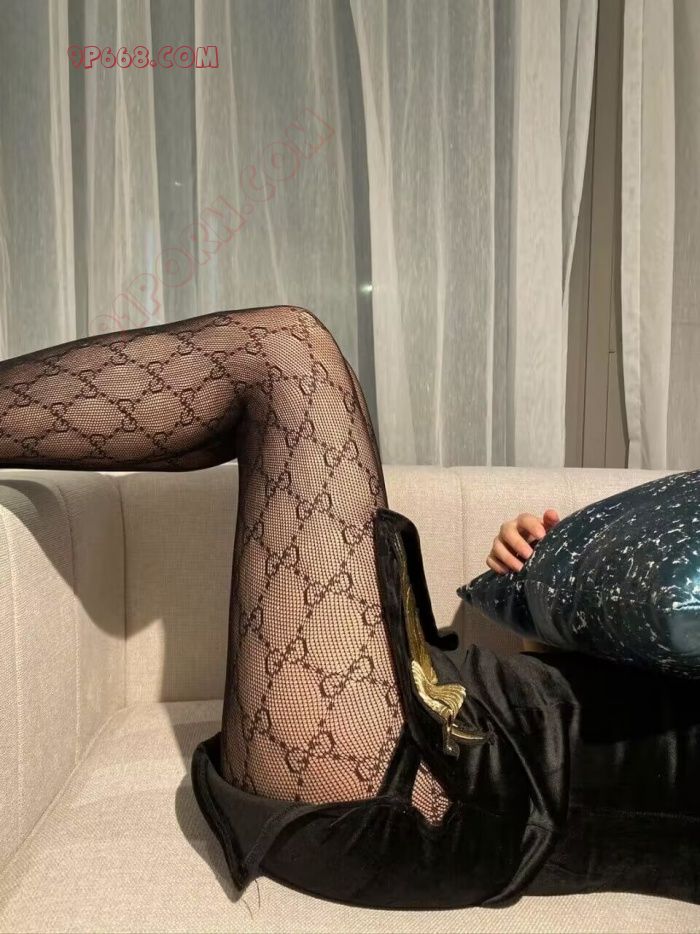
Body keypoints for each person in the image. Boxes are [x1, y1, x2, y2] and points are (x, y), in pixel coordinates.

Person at [0, 304, 697, 909]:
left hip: (436, 790)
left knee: (284, 351)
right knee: (265, 382)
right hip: (447, 705)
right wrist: (546, 581)